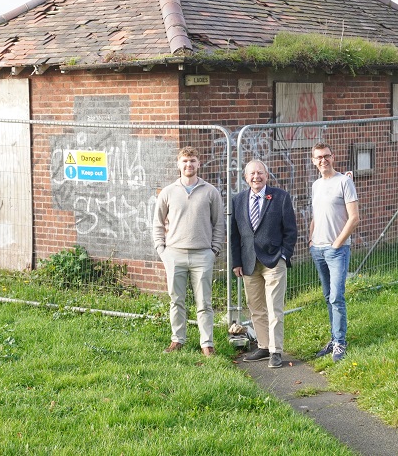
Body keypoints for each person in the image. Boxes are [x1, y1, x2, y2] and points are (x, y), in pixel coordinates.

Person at [153, 146, 225, 357]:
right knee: (177, 300)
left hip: (203, 254)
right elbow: (157, 223)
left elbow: (218, 223)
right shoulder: (168, 192)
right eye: (185, 161)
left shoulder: (210, 191)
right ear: (179, 164)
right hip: (174, 254)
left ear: (198, 163)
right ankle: (177, 340)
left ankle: (207, 344)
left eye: (192, 160)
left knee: (204, 302)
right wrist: (162, 250)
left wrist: (214, 250)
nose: (189, 165)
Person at [230, 159, 297, 369]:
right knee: (256, 307)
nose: (256, 177)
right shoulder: (238, 199)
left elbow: (291, 230)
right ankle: (264, 346)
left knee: (274, 307)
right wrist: (236, 262)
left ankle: (276, 351)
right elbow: (234, 234)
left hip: (273, 261)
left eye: (260, 173)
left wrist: (284, 255)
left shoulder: (280, 197)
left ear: (266, 176)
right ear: (245, 177)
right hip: (249, 263)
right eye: (251, 174)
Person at [309, 142, 360, 362]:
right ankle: (333, 339)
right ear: (314, 162)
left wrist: (338, 242)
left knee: (337, 297)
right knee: (327, 296)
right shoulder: (316, 185)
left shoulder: (344, 182)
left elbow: (354, 217)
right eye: (319, 157)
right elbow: (316, 215)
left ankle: (340, 342)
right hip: (317, 249)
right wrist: (311, 240)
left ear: (333, 157)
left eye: (326, 156)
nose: (323, 160)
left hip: (336, 250)